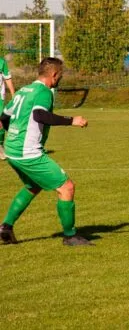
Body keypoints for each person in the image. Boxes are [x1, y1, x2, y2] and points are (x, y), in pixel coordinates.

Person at [0, 57, 91, 246]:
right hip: (28, 153)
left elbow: (4, 117)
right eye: (60, 75)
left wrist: (15, 135)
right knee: (67, 187)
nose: (60, 79)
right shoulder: (44, 92)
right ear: (54, 75)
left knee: (32, 186)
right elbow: (40, 115)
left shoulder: (24, 90)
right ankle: (70, 236)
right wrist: (71, 120)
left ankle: (6, 228)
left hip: (12, 150)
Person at [0, 56, 15, 160]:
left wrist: (14, 94)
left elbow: (7, 78)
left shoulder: (1, 62)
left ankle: (0, 146)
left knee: (1, 122)